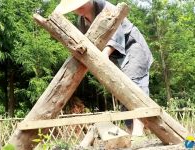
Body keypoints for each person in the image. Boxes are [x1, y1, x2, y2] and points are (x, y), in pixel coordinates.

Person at [57, 0, 153, 136]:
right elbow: (88, 41)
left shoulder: (107, 8)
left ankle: (138, 132)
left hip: (132, 47)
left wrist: (105, 54)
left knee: (135, 85)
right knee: (122, 90)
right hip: (115, 57)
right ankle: (131, 132)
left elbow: (117, 35)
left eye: (79, 5)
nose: (77, 9)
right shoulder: (82, 21)